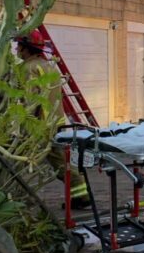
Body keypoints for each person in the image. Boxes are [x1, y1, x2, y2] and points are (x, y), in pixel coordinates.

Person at [16, 29, 91, 209]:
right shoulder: (48, 66)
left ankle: (18, 200)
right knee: (59, 160)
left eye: (19, 46)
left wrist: (25, 126)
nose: (16, 49)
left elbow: (31, 101)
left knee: (26, 161)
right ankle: (81, 194)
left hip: (39, 124)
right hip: (55, 122)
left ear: (27, 48)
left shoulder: (27, 68)